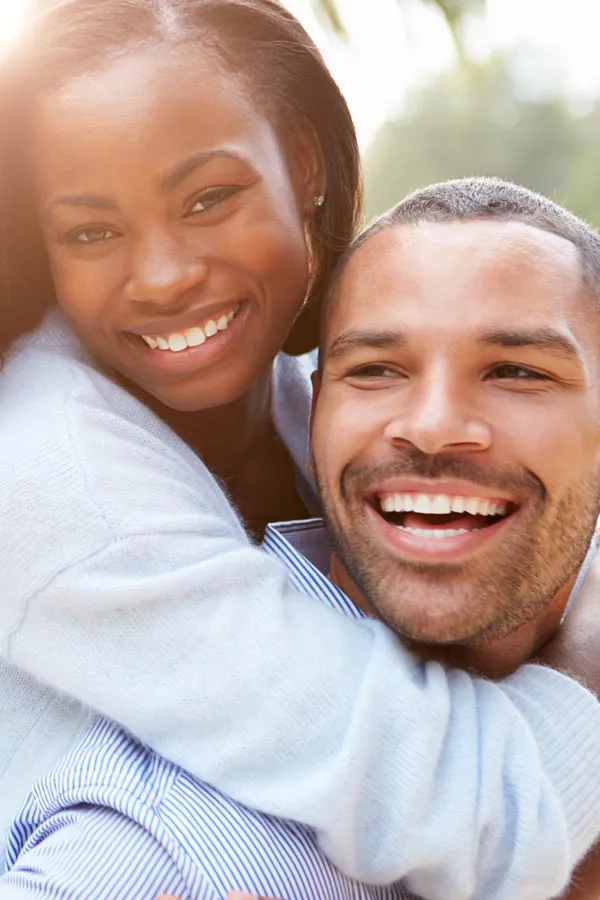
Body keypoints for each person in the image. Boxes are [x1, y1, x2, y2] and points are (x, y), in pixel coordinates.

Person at [0, 0, 598, 894]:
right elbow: (467, 809)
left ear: (306, 166)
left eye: (210, 198)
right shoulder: (53, 472)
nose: (164, 275)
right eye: (91, 231)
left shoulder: (308, 389)